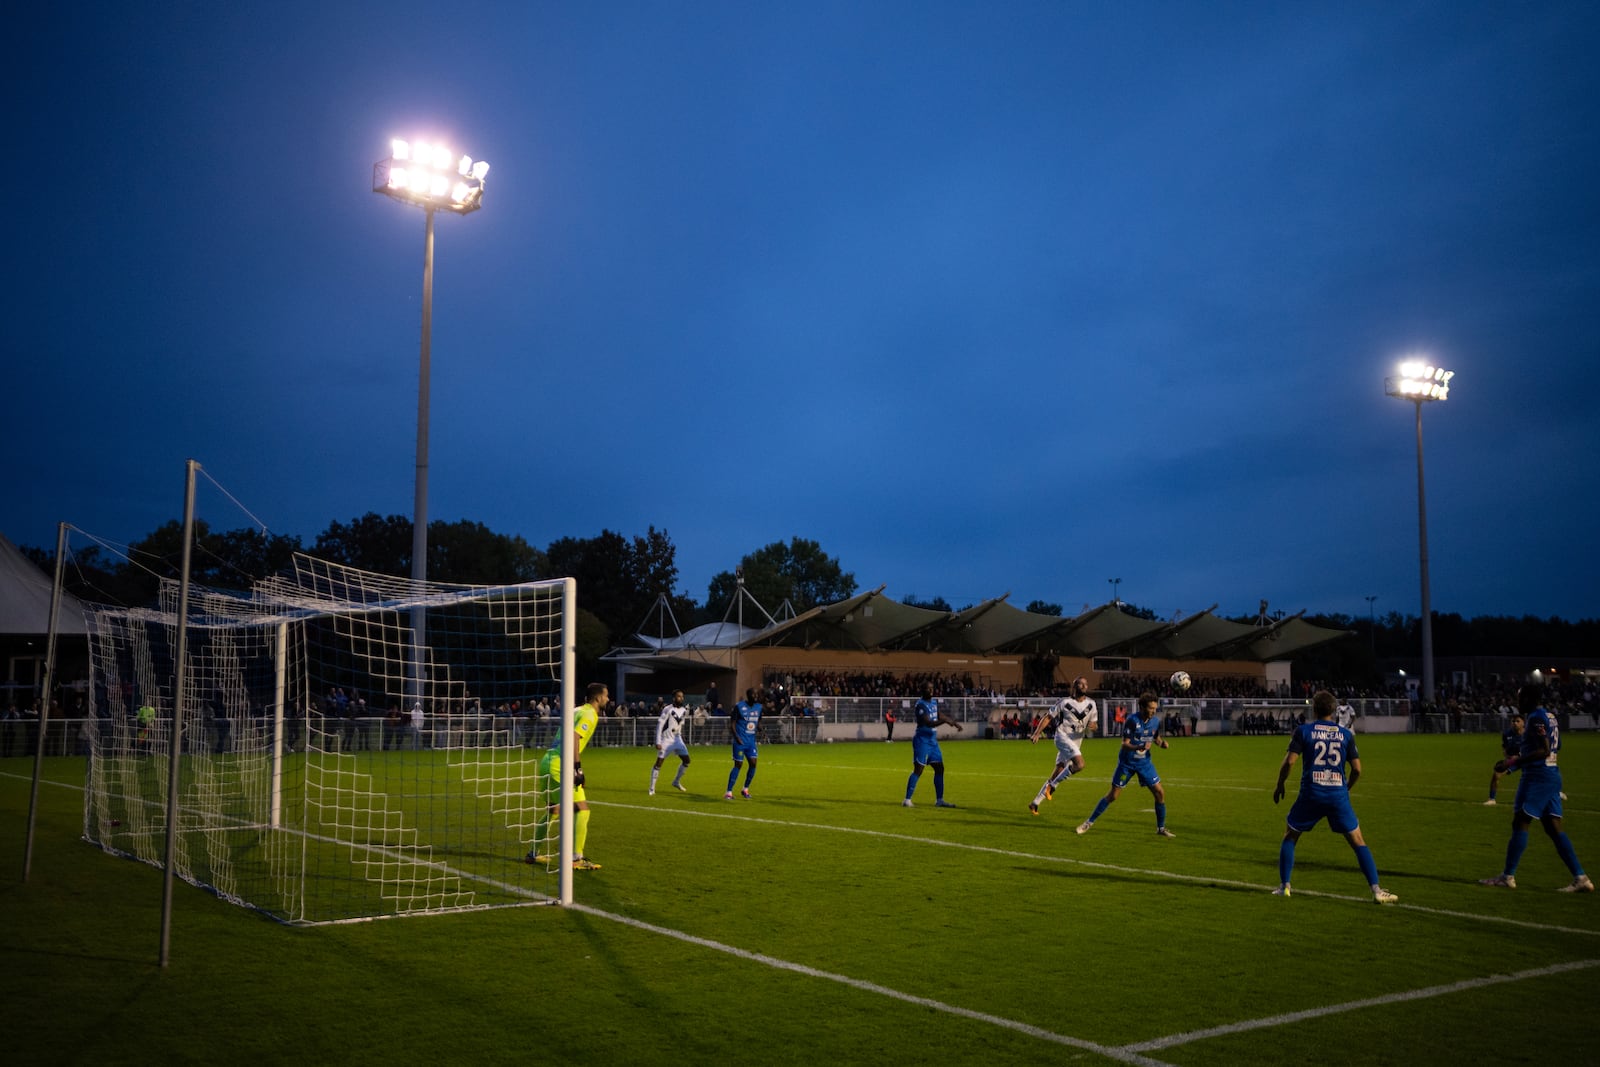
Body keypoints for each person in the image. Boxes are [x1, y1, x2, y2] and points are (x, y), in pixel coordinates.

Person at [1271, 689, 1399, 903]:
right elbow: (1357, 769)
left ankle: (1285, 886)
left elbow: (1290, 762)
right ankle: (1376, 890)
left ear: (1314, 709)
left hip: (1312, 793)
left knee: (1291, 835)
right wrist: (1345, 789)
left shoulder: (1304, 731)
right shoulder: (1346, 735)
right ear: (1334, 710)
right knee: (1358, 841)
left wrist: (1280, 784)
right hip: (1337, 794)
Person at [1480, 683, 1593, 892]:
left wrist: (1513, 762)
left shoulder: (1535, 717)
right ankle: (1581, 878)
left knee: (1521, 821)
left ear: (1530, 699)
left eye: (1521, 698)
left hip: (1537, 778)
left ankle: (1507, 876)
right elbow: (1555, 748)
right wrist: (1516, 762)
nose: (1518, 702)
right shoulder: (1550, 716)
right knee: (1553, 827)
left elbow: (1544, 750)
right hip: (1551, 775)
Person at [525, 682, 609, 870]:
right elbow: (574, 738)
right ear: (597, 698)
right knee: (582, 809)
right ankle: (576, 858)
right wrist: (577, 768)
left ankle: (533, 853)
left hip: (548, 761)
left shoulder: (576, 709)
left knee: (553, 810)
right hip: (561, 764)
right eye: (606, 695)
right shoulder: (590, 714)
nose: (608, 699)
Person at [1077, 692, 1173, 836]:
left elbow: (1155, 737)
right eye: (1150, 708)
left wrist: (1162, 744)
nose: (1153, 711)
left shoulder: (1154, 721)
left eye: (1155, 708)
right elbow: (1124, 744)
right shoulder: (1132, 720)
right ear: (1141, 707)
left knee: (1159, 792)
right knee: (1113, 796)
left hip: (1144, 764)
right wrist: (1138, 747)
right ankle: (1088, 823)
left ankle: (1161, 828)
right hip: (1127, 763)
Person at [1028, 676, 1097, 815]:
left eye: (1086, 684)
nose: (1084, 686)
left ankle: (1035, 803)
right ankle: (1052, 786)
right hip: (1062, 737)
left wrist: (1093, 726)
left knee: (1059, 770)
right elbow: (1048, 717)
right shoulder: (1065, 702)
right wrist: (1036, 733)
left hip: (1076, 741)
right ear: (1075, 687)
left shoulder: (1092, 704)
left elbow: (1095, 724)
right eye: (1081, 684)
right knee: (1080, 764)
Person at [903, 683, 962, 808]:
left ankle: (939, 800)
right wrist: (945, 721)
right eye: (928, 688)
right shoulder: (920, 705)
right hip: (922, 740)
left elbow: (939, 715)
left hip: (932, 741)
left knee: (940, 768)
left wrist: (953, 722)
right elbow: (928, 723)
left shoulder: (934, 703)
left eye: (931, 688)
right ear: (923, 690)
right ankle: (907, 799)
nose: (931, 690)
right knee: (918, 770)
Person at [650, 689, 692, 795]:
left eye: (682, 696)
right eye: (679, 696)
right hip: (666, 739)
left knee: (687, 761)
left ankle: (676, 782)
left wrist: (682, 737)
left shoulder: (683, 710)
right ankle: (652, 788)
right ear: (674, 698)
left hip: (677, 739)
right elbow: (660, 725)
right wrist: (658, 741)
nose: (681, 698)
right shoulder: (667, 709)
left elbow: (680, 724)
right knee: (659, 763)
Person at [725, 688, 763, 799]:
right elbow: (732, 723)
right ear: (748, 695)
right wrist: (736, 737)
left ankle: (745, 789)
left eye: (756, 694)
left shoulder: (759, 707)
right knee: (738, 765)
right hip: (740, 741)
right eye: (753, 694)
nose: (755, 696)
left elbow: (759, 720)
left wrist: (760, 728)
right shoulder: (739, 707)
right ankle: (729, 792)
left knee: (753, 763)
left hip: (751, 742)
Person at [1485, 713, 1525, 805]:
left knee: (1534, 779)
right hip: (1513, 761)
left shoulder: (1528, 735)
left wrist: (1519, 756)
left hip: (1526, 760)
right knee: (1496, 774)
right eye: (1513, 721)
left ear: (1523, 723)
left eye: (1518, 721)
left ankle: (1554, 792)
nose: (1515, 723)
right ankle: (1492, 799)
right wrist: (1507, 756)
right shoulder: (1507, 734)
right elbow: (1505, 747)